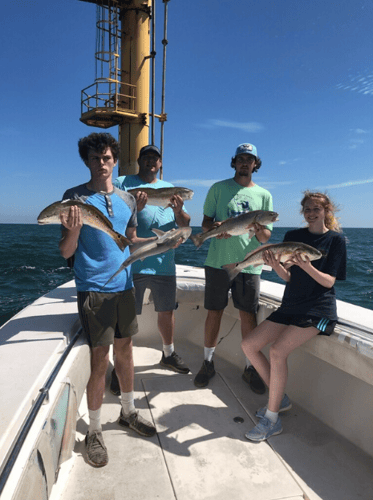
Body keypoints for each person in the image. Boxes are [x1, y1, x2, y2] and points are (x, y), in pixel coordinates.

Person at [59, 132, 156, 468]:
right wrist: (73, 227)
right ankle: (95, 431)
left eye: (107, 158)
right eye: (95, 158)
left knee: (126, 351)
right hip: (94, 289)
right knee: (100, 360)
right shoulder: (73, 198)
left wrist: (164, 243)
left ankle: (128, 412)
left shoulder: (129, 200)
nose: (102, 164)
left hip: (124, 286)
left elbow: (128, 241)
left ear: (115, 161)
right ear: (87, 162)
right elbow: (66, 251)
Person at [242, 191, 347, 442]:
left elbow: (328, 281)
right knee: (249, 345)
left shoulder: (335, 241)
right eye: (307, 209)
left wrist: (306, 265)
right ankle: (281, 398)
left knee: (277, 351)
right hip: (290, 305)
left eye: (316, 209)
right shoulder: (293, 237)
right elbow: (289, 277)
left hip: (318, 310)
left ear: (326, 211)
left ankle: (272, 418)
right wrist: (276, 265)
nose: (311, 213)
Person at [193, 143, 274, 393]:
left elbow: (265, 238)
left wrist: (260, 228)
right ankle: (207, 363)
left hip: (249, 265)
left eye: (249, 159)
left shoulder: (264, 196)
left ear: (255, 164)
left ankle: (250, 368)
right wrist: (213, 229)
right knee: (214, 312)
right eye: (240, 159)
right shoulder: (218, 188)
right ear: (234, 162)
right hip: (217, 262)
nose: (244, 163)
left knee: (247, 316)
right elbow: (206, 222)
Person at [112, 144, 191, 392]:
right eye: (146, 157)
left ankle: (168, 354)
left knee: (166, 311)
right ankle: (120, 367)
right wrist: (136, 208)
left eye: (154, 158)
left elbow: (186, 223)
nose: (150, 161)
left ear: (159, 164)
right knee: (126, 318)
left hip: (163, 263)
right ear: (139, 160)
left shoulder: (169, 190)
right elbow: (113, 214)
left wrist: (179, 210)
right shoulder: (124, 182)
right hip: (133, 261)